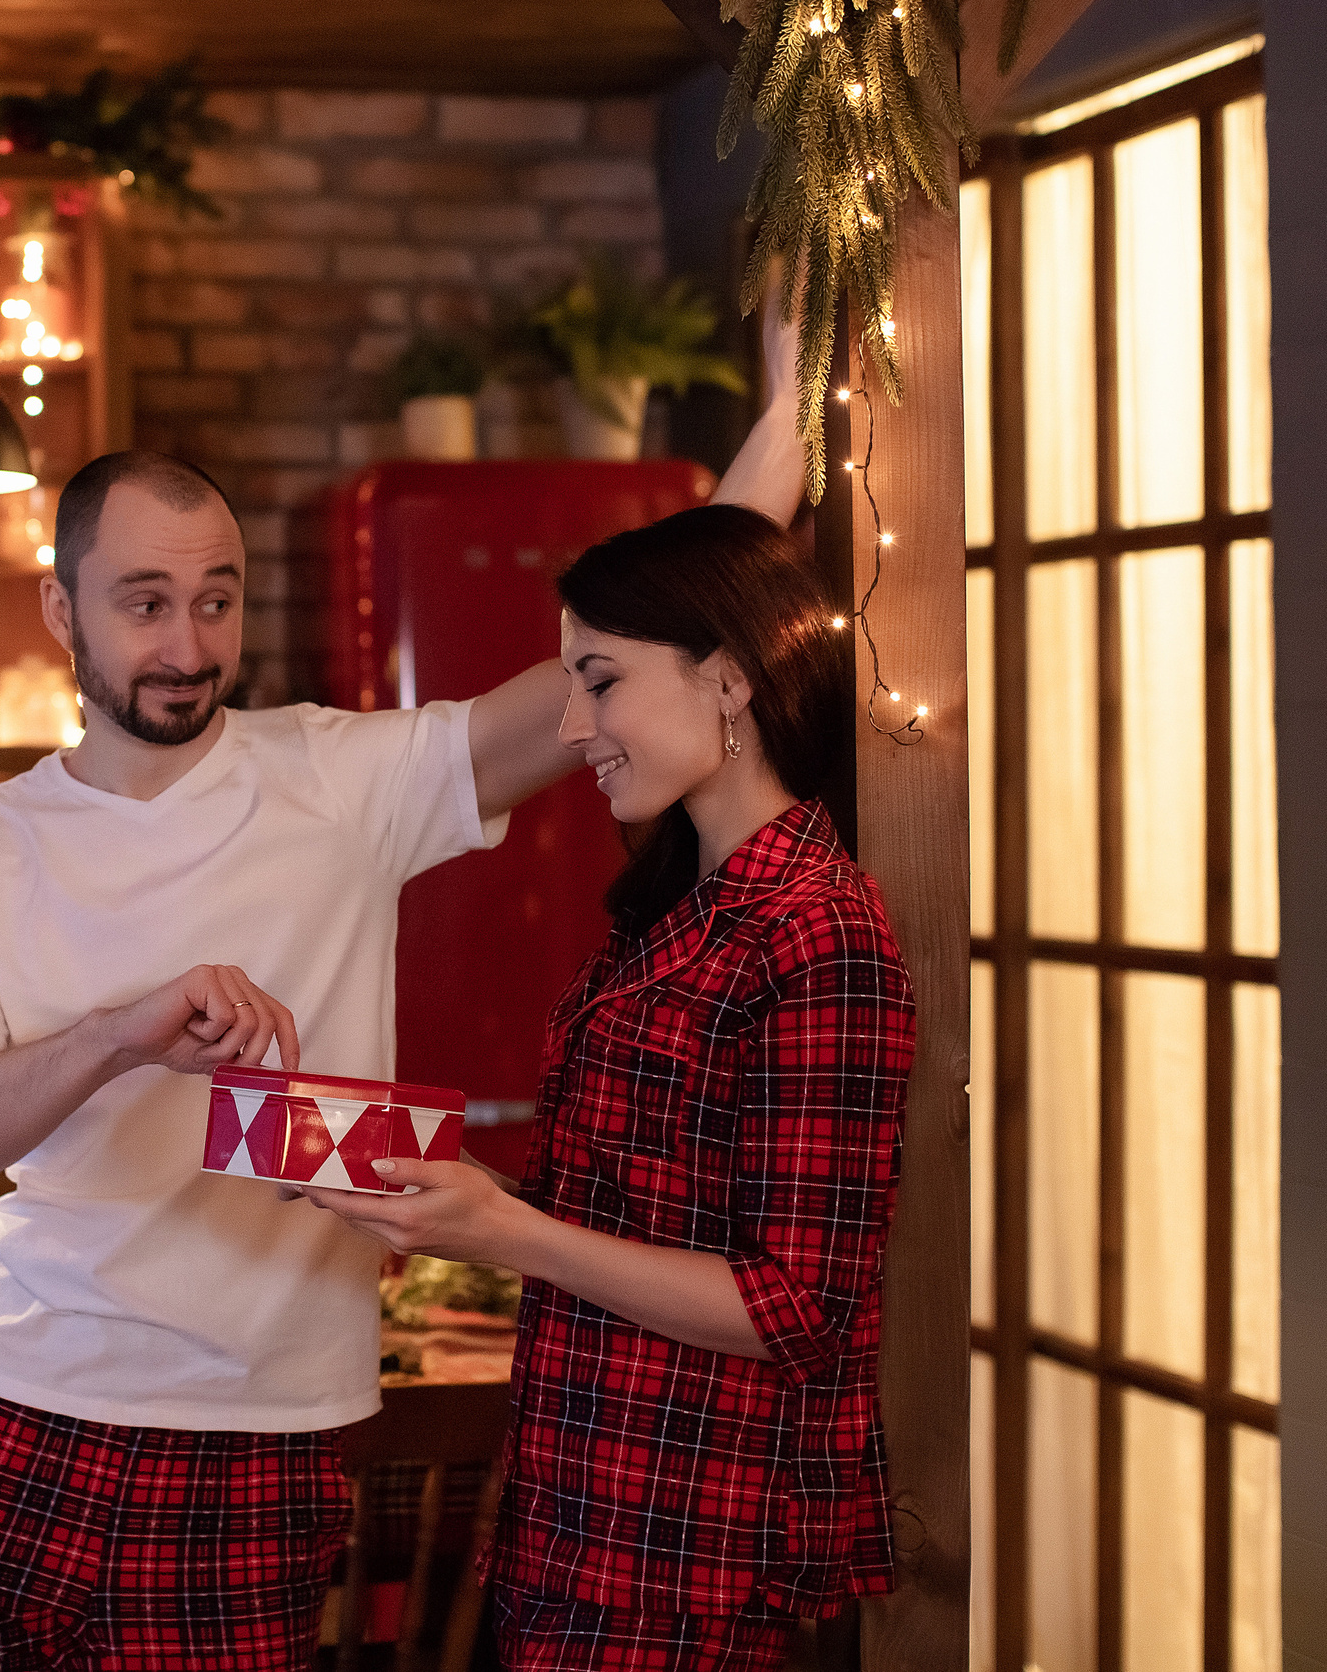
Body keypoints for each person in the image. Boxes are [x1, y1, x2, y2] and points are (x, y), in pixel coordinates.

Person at [0, 305, 802, 1672]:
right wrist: (119, 1036)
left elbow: (629, 653)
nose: (187, 643)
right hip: (17, 1419)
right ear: (62, 611)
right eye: (144, 603)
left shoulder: (342, 776)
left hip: (260, 1439)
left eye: (216, 598)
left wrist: (784, 427)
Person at [305, 505, 917, 1672]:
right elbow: (641, 1215)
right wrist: (458, 1192)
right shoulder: (683, 907)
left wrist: (506, 1234)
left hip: (687, 1543)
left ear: (727, 679)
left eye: (599, 680)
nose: (573, 726)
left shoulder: (817, 930)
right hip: (583, 1514)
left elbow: (794, 1306)